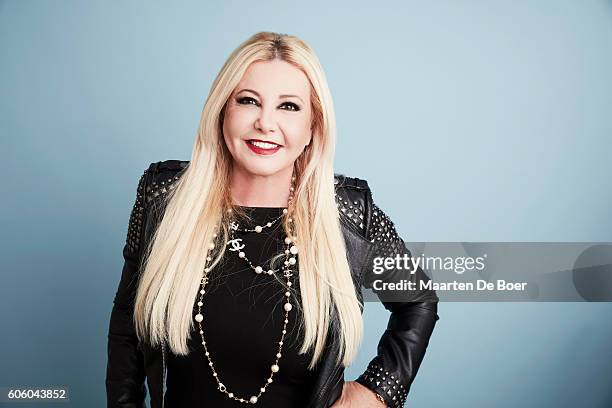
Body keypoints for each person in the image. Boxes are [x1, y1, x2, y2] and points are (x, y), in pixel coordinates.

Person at [106, 31, 439, 408]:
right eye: (248, 101)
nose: (265, 123)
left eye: (289, 107)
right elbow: (127, 324)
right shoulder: (163, 196)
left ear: (313, 125)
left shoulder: (347, 212)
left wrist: (379, 391)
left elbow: (418, 300)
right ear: (222, 112)